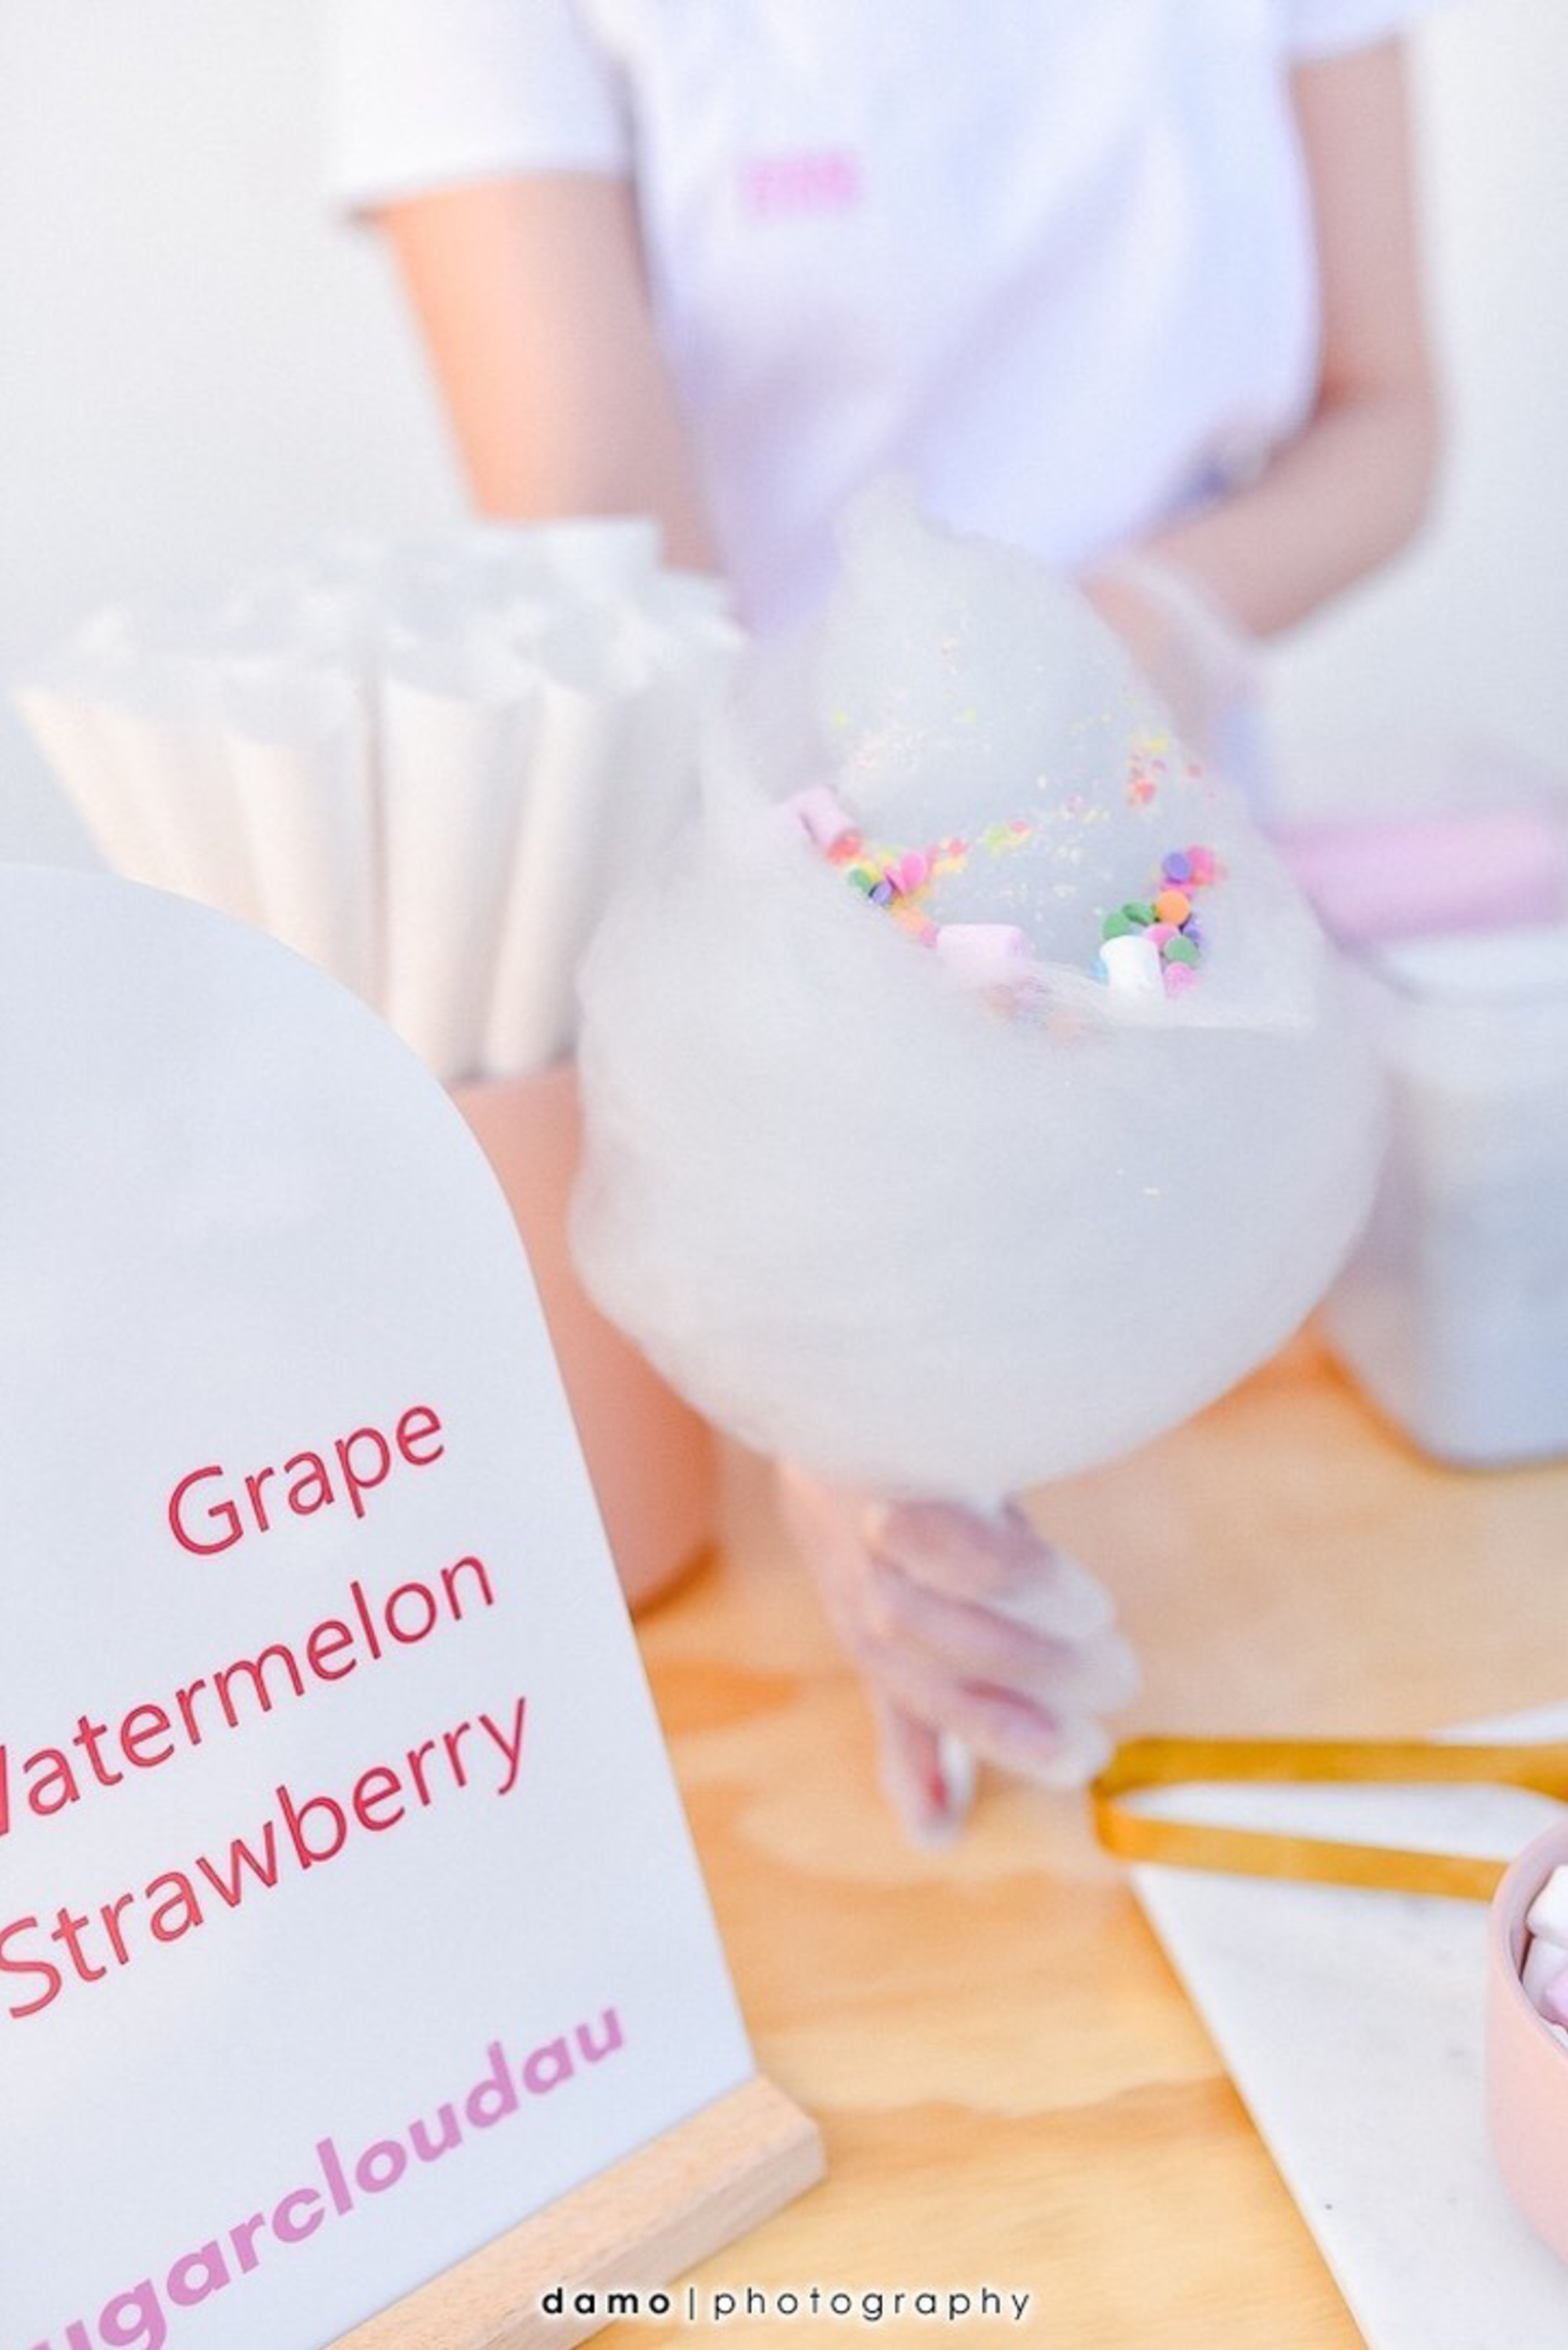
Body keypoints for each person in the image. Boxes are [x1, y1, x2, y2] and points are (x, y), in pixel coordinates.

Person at [333, 0, 1441, 1839]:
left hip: (1197, 990)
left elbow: (1387, 414)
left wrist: (1129, 639)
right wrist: (821, 1337)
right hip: (781, 987)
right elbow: (627, 599)